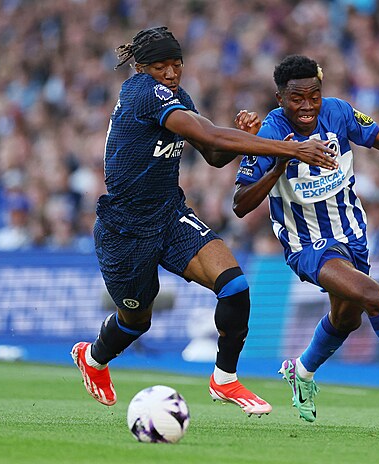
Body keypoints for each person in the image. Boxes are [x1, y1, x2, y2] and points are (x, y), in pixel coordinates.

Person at [71, 28, 338, 417]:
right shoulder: (142, 92)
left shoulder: (177, 97)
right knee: (136, 321)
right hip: (125, 228)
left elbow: (212, 154)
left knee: (235, 286)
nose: (170, 73)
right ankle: (93, 358)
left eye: (175, 64)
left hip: (169, 214)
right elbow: (209, 133)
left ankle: (224, 379)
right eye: (160, 67)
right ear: (140, 68)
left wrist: (241, 138)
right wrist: (293, 148)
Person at [233, 55, 379, 422]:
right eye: (297, 99)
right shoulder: (270, 134)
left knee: (346, 320)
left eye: (314, 96)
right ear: (280, 98)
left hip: (352, 233)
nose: (307, 106)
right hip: (307, 244)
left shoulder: (338, 112)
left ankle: (301, 371)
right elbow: (240, 203)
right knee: (373, 296)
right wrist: (278, 165)